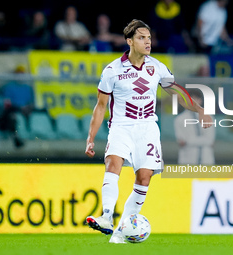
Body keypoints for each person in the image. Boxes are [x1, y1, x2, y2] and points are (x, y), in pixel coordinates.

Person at [84, 19, 212, 243]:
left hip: (147, 129)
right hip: (121, 126)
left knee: (144, 178)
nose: (147, 42)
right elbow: (101, 106)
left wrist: (199, 109)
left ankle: (123, 229)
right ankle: (106, 217)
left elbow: (178, 92)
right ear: (129, 41)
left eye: (149, 38)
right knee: (113, 164)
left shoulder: (156, 67)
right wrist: (91, 137)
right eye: (142, 37)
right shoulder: (112, 70)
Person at [0, 65, 34, 148]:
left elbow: (31, 103)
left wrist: (28, 108)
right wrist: (20, 108)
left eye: (22, 74)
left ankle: (19, 135)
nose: (20, 76)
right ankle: (15, 136)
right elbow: (6, 103)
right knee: (12, 114)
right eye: (18, 74)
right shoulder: (8, 87)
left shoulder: (28, 88)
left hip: (24, 111)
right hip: (12, 110)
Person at [174, 90, 215, 165]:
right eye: (191, 99)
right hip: (187, 160)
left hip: (206, 160)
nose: (194, 102)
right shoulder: (179, 119)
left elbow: (210, 140)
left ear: (201, 100)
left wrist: (189, 141)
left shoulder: (209, 117)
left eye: (196, 99)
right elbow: (182, 141)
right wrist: (203, 141)